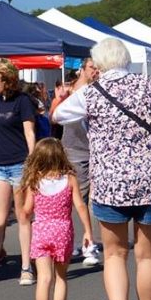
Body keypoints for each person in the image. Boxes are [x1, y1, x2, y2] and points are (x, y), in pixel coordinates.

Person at [52, 38, 151, 300]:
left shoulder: (90, 92)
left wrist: (77, 88)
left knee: (114, 255)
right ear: (126, 59)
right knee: (148, 255)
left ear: (97, 64)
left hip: (110, 184)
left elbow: (58, 116)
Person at [20, 138, 94, 300]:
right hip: (62, 230)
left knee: (44, 279)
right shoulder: (69, 179)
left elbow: (26, 211)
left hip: (42, 230)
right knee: (61, 277)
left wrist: (23, 213)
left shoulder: (34, 181)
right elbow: (80, 205)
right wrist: (88, 231)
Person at [0, 59, 36, 287]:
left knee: (23, 217)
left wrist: (32, 162)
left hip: (20, 164)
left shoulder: (23, 101)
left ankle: (26, 267)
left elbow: (29, 132)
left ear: (7, 79)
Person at [51, 58, 101, 267]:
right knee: (77, 199)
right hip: (73, 149)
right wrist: (58, 99)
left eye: (98, 68)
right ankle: (79, 241)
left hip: (96, 150)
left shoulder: (100, 90)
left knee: (94, 200)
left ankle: (89, 241)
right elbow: (52, 116)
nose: (96, 72)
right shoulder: (70, 91)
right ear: (82, 69)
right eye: (92, 68)